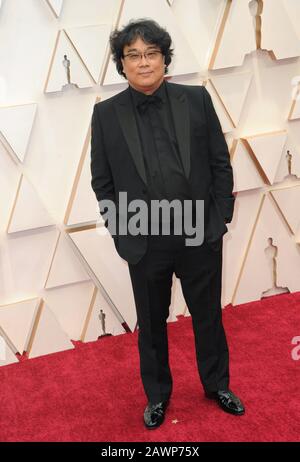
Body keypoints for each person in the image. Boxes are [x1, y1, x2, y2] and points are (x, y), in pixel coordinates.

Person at [90, 18, 245, 430]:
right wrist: (122, 235)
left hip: (199, 230)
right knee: (152, 324)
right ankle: (158, 397)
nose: (143, 62)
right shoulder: (105, 115)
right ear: (121, 64)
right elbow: (101, 182)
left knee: (208, 315)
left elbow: (219, 162)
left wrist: (219, 220)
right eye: (133, 55)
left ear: (164, 58)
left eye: (151, 53)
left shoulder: (195, 100)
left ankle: (217, 386)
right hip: (143, 237)